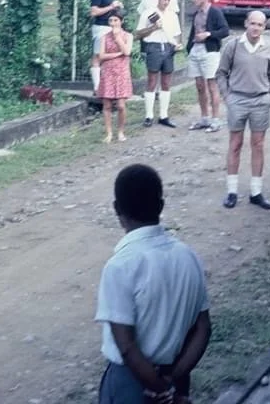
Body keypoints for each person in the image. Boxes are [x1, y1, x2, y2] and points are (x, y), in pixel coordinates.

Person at [95, 164, 211, 404]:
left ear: (117, 209)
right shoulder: (188, 256)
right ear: (160, 206)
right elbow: (202, 328)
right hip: (176, 374)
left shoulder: (120, 267)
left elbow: (126, 346)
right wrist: (172, 380)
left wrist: (158, 388)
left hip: (133, 384)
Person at [216, 10, 270, 210]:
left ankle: (256, 192)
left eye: (260, 25)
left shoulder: (268, 47)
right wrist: (227, 97)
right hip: (237, 99)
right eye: (252, 23)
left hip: (260, 101)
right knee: (235, 144)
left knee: (258, 145)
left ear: (264, 27)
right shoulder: (233, 46)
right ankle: (232, 191)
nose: (255, 28)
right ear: (246, 23)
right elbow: (221, 73)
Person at [135, 0, 182, 128]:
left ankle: (164, 115)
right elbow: (138, 34)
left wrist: (177, 45)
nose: (166, 2)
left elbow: (176, 34)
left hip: (168, 47)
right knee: (151, 81)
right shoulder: (149, 13)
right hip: (153, 47)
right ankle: (149, 115)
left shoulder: (173, 15)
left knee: (167, 82)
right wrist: (153, 27)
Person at [185, 0, 230, 133]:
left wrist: (208, 34)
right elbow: (193, 30)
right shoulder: (196, 13)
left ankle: (215, 119)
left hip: (209, 51)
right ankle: (204, 117)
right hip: (196, 49)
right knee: (199, 85)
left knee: (212, 84)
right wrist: (189, 46)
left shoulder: (215, 12)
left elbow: (225, 31)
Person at [97, 12, 134, 143]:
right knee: (106, 104)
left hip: (122, 72)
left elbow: (127, 51)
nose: (113, 23)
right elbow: (101, 56)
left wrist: (118, 38)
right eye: (111, 20)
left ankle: (121, 131)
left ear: (121, 21)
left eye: (116, 20)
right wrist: (117, 54)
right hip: (108, 71)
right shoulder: (104, 37)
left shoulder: (128, 36)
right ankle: (109, 133)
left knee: (121, 105)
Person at [90, 0, 123, 93]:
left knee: (110, 57)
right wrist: (110, 7)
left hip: (111, 28)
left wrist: (117, 7)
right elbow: (93, 12)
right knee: (98, 55)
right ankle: (97, 87)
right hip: (101, 28)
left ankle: (108, 86)